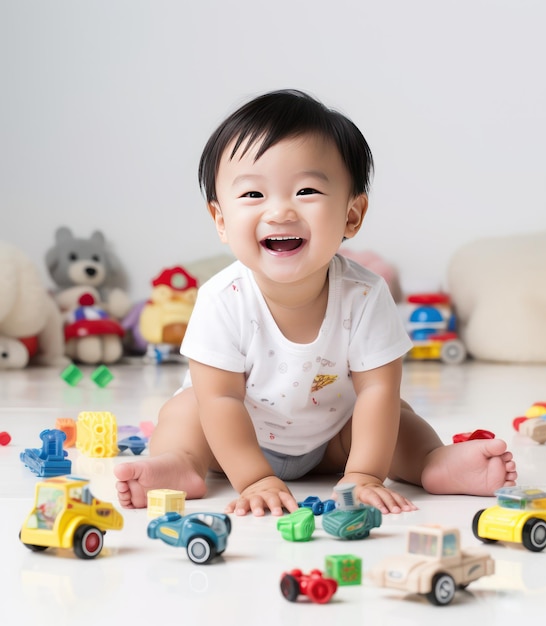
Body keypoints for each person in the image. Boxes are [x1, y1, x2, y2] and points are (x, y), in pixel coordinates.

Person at [114, 89, 517, 517]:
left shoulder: (365, 295)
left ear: (351, 216)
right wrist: (255, 478)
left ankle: (433, 463)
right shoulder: (221, 299)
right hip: (229, 446)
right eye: (253, 195)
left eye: (306, 190)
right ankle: (182, 465)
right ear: (221, 221)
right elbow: (221, 402)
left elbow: (378, 388)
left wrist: (364, 473)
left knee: (392, 414)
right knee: (187, 409)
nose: (280, 212)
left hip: (335, 441)